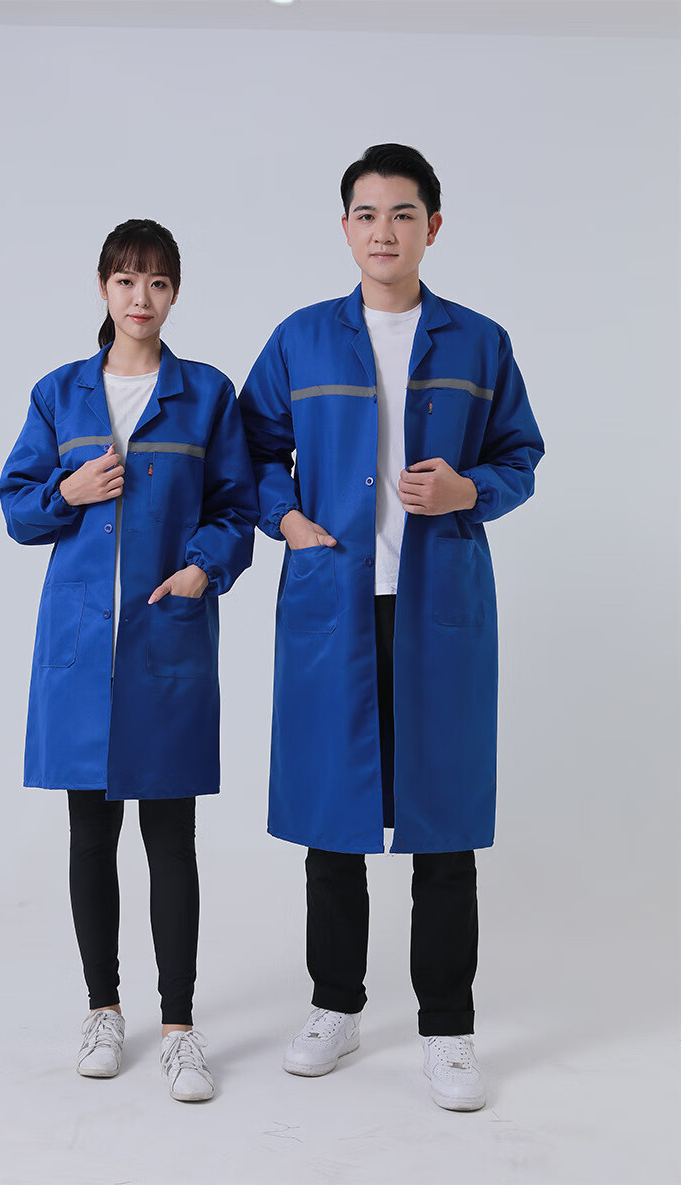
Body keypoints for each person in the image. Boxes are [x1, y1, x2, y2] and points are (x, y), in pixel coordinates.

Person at [238, 144, 544, 1111]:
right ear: (345, 228)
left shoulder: (479, 342)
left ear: (432, 227)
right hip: (334, 603)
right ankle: (335, 1005)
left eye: (403, 214)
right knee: (333, 817)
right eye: (366, 215)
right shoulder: (301, 340)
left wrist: (468, 490)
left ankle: (448, 1028)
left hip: (437, 604)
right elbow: (251, 449)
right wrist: (286, 517)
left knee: (442, 823)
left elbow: (521, 455)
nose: (384, 232)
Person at [0, 218, 257, 1102]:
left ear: (174, 293)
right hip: (82, 646)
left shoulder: (206, 394)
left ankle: (179, 1026)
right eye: (125, 281)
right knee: (91, 833)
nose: (140, 298)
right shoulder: (59, 394)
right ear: (102, 289)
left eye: (156, 282)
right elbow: (18, 507)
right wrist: (67, 490)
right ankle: (103, 1010)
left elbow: (235, 508)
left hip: (165, 637)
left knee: (171, 835)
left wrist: (203, 568)